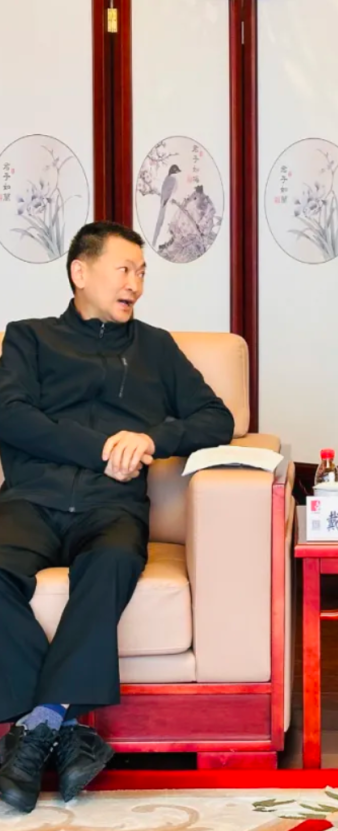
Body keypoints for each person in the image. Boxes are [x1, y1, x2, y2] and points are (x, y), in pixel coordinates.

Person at [0, 221, 234, 813]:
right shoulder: (28, 338)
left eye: (142, 273)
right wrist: (101, 448)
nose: (136, 284)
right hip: (31, 500)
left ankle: (37, 727)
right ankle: (65, 730)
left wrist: (151, 438)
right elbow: (11, 415)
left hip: (112, 508)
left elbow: (217, 418)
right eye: (124, 270)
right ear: (80, 273)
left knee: (111, 564)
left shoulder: (157, 348)